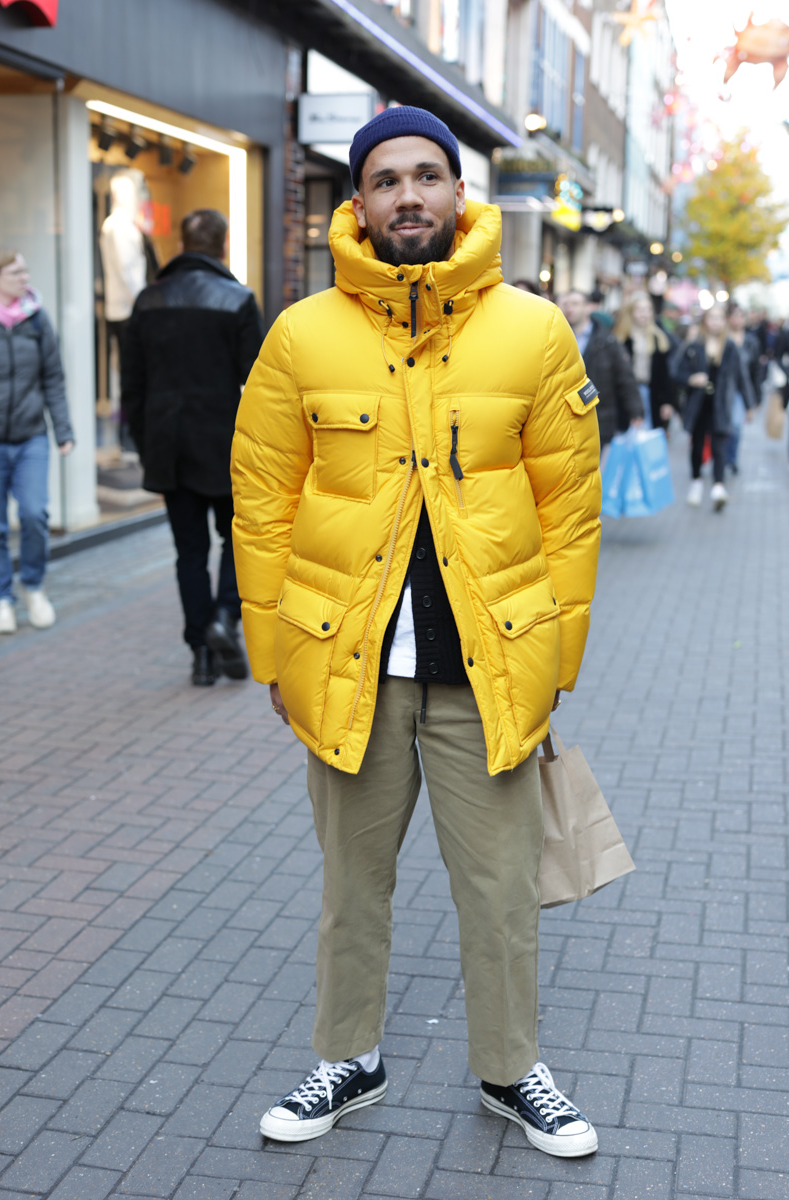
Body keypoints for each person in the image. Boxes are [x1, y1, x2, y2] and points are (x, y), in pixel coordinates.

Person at [231, 106, 602, 1156]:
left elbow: (570, 507)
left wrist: (554, 663)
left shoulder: (532, 332)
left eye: (426, 176)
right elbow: (259, 500)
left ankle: (508, 1068)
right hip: (351, 672)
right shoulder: (301, 334)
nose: (406, 196)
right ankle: (347, 1057)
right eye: (385, 179)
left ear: (457, 194)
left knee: (497, 892)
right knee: (352, 888)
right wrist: (273, 657)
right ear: (358, 202)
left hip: (486, 671)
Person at [122, 208, 264, 685]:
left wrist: (145, 446)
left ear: (182, 244)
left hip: (168, 445)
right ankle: (226, 615)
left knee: (188, 553)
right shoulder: (238, 300)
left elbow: (132, 389)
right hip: (224, 444)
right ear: (222, 245)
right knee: (236, 541)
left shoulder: (147, 301)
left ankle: (200, 651)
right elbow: (259, 386)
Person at [0, 247, 74, 635]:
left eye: (25, 270)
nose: (24, 277)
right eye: (15, 272)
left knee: (35, 515)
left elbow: (53, 377)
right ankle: (2, 599)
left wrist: (64, 430)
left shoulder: (37, 319)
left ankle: (33, 587)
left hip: (30, 438)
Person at [671, 304, 755, 511]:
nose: (716, 322)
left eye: (720, 318)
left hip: (721, 404)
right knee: (697, 446)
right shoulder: (694, 346)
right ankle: (696, 482)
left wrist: (749, 404)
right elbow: (675, 371)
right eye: (712, 317)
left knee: (719, 446)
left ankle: (718, 486)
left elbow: (742, 376)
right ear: (705, 321)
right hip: (698, 405)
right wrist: (691, 379)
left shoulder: (730, 347)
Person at [558, 289, 643, 445]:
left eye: (575, 304)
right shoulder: (557, 337)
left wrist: (635, 411)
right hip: (564, 419)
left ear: (588, 307)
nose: (570, 308)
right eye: (566, 304)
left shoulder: (606, 340)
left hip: (599, 416)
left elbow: (625, 377)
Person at [613, 290, 676, 432]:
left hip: (650, 393)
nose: (644, 313)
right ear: (631, 312)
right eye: (640, 309)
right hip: (625, 395)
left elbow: (665, 374)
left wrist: (667, 401)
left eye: (648, 309)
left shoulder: (658, 338)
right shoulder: (621, 339)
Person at [725, 303, 760, 473]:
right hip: (724, 389)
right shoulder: (723, 339)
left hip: (742, 390)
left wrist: (754, 399)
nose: (738, 319)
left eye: (741, 315)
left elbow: (756, 372)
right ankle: (722, 456)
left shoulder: (751, 342)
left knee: (735, 426)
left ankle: (731, 458)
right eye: (734, 315)